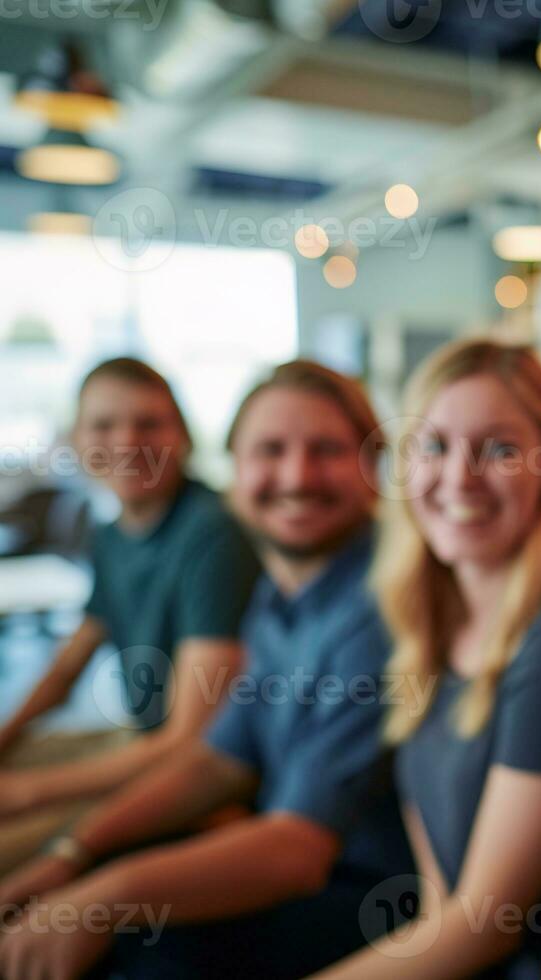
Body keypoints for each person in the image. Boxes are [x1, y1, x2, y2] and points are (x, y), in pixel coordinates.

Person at [0, 360, 415, 979]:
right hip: (292, 847)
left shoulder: (380, 600)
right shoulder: (283, 594)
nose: (297, 477)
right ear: (235, 466)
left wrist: (100, 897)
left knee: (134, 951)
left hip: (373, 894)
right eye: (271, 450)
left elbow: (297, 848)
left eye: (327, 450)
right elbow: (217, 759)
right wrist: (74, 853)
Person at [311, 338, 541, 979]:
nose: (459, 478)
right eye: (434, 445)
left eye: (500, 449)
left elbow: (486, 923)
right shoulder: (430, 633)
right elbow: (440, 908)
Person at [0, 357, 258, 873]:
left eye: (148, 423)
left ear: (182, 436)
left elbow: (190, 741)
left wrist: (26, 792)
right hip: (142, 743)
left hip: (196, 772)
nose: (125, 442)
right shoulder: (113, 533)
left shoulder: (211, 535)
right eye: (103, 425)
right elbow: (69, 663)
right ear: (75, 439)